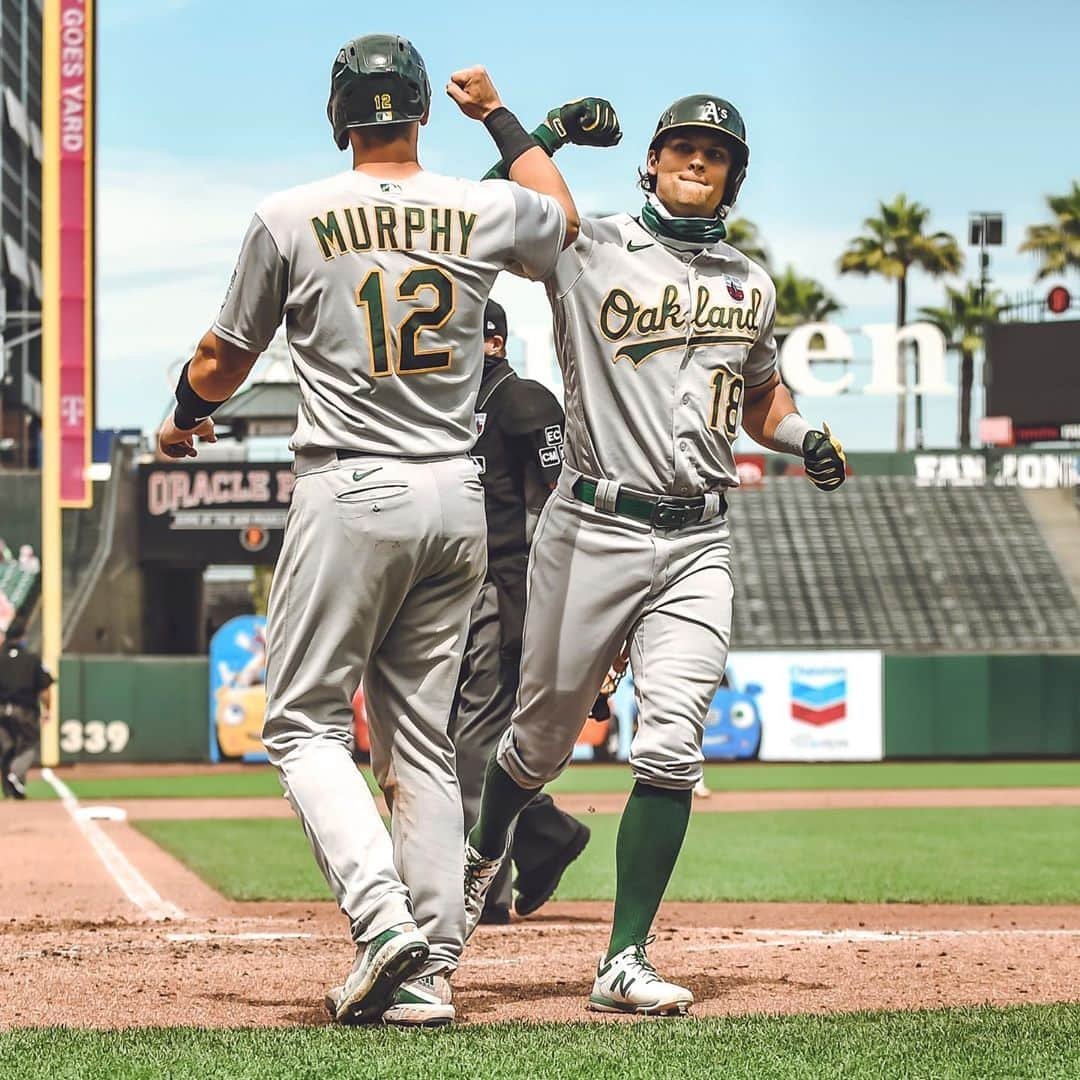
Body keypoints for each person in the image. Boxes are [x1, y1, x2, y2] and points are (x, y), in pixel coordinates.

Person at [154, 35, 619, 1028]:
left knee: (301, 722)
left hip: (349, 486)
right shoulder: (480, 205)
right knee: (420, 736)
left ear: (341, 117)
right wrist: (500, 113)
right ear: (415, 111)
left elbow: (221, 356)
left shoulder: (289, 213)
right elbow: (567, 222)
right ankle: (432, 971)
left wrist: (184, 416)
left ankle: (384, 926)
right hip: (454, 493)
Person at [463, 94, 847, 1015]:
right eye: (680, 145)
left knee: (672, 742)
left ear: (734, 177)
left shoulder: (751, 282)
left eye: (714, 152)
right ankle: (482, 853)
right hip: (591, 526)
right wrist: (517, 123)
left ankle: (622, 958)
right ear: (648, 162)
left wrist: (802, 438)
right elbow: (466, 218)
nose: (695, 159)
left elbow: (761, 400)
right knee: (542, 739)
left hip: (697, 538)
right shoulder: (587, 244)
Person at [451, 299, 590, 925]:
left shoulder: (524, 400)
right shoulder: (441, 409)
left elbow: (560, 509)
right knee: (446, 736)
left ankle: (488, 886)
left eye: (462, 334)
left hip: (505, 591)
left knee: (475, 736)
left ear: (494, 341)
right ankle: (547, 834)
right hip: (447, 586)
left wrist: (550, 607)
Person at [0, 619, 53, 800]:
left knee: (7, 749)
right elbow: (45, 690)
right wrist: (48, 710)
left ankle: (11, 792)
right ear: (22, 637)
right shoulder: (31, 659)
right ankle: (16, 774)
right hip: (24, 711)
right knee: (29, 744)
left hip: (1, 711)